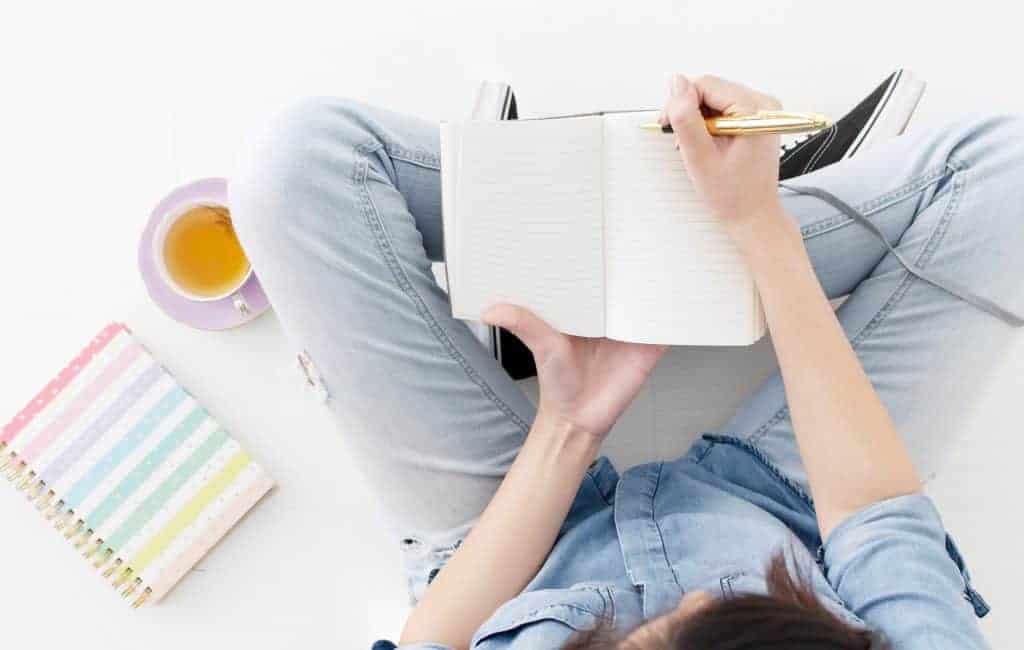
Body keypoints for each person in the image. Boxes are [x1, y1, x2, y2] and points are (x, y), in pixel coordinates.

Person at [230, 74, 1022, 649]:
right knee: (1008, 174)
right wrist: (759, 233)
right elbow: (873, 521)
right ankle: (709, 230)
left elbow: (434, 639)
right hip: (793, 509)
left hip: (498, 551)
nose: (690, 597)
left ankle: (582, 263)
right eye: (726, 607)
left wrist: (567, 427)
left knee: (297, 168)